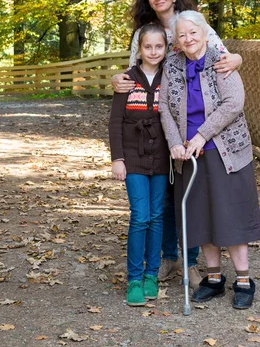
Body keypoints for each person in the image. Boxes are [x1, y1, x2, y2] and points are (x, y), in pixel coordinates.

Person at [111, 0, 243, 289]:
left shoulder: (192, 24)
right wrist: (117, 79)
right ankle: (168, 258)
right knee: (166, 194)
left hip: (190, 120)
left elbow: (222, 53)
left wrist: (236, 58)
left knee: (187, 190)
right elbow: (133, 72)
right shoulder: (145, 33)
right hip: (156, 123)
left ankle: (191, 260)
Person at [159, 11, 260, 310]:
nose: (188, 39)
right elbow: (164, 105)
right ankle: (214, 277)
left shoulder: (221, 59)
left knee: (229, 214)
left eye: (193, 32)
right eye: (182, 35)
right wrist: (175, 142)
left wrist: (202, 136)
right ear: (176, 41)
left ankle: (243, 279)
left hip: (223, 149)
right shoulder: (172, 64)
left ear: (205, 33)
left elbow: (234, 103)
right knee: (199, 215)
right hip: (187, 153)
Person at [108, 24, 170, 307]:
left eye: (159, 47)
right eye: (148, 47)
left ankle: (151, 276)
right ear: (139, 49)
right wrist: (117, 159)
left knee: (157, 215)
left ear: (166, 48)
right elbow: (115, 123)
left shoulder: (170, 77)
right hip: (133, 157)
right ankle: (134, 278)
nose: (154, 52)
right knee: (140, 215)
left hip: (161, 157)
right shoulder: (126, 80)